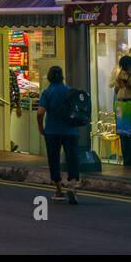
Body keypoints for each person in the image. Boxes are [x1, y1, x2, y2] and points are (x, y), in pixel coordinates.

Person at [37, 65, 81, 205]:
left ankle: (58, 190)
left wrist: (40, 126)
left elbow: (40, 112)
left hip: (52, 131)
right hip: (70, 131)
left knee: (54, 160)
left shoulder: (47, 92)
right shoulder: (70, 91)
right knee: (72, 159)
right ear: (62, 77)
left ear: (49, 77)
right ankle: (72, 186)